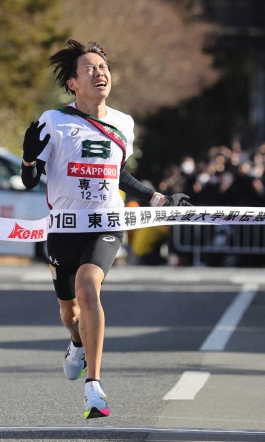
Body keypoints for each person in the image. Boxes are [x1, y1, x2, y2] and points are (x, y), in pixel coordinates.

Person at [21, 39, 191, 420]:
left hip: (106, 224)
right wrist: (30, 156)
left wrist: (158, 199)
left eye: (104, 68)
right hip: (64, 229)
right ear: (72, 83)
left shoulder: (123, 123)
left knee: (88, 288)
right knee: (69, 312)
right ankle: (76, 343)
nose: (100, 74)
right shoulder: (54, 121)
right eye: (90, 69)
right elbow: (30, 180)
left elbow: (119, 175)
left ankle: (93, 387)